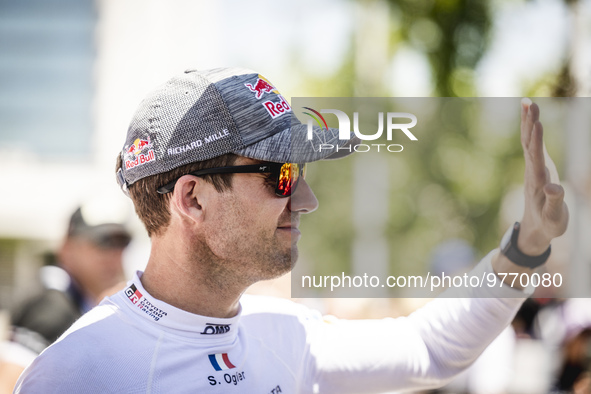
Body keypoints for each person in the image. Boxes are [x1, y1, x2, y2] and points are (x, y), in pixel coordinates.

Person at [14, 68, 568, 393]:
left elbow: (430, 347)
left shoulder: (281, 331)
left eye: (302, 174)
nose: (306, 199)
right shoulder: (78, 372)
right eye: (281, 176)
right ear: (192, 199)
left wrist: (527, 247)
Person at [1, 202, 130, 392]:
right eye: (103, 242)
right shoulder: (51, 306)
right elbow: (7, 386)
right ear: (67, 248)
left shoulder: (78, 301)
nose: (114, 255)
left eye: (121, 243)